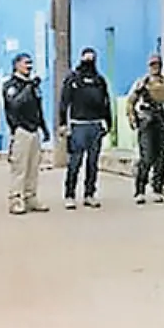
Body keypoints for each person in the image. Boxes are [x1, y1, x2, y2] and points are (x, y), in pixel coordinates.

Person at [59, 47, 112, 209]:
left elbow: (106, 102)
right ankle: (70, 194)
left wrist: (108, 122)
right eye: (86, 58)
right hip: (78, 126)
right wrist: (62, 124)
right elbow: (64, 102)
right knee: (75, 162)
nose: (89, 62)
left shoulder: (99, 80)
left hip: (95, 125)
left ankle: (89, 194)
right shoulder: (73, 79)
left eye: (92, 58)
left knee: (93, 163)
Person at [126, 53, 164, 205]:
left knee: (161, 158)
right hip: (147, 123)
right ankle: (140, 189)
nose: (155, 67)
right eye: (152, 64)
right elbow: (131, 101)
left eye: (157, 64)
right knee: (146, 157)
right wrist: (132, 118)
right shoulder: (142, 83)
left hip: (163, 122)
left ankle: (157, 188)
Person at [2, 53, 50, 215]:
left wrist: (44, 128)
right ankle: (16, 199)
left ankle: (31, 197)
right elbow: (15, 104)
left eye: (30, 63)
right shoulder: (11, 85)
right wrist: (29, 88)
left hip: (34, 129)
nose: (29, 66)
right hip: (20, 130)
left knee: (33, 167)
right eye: (25, 63)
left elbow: (38, 108)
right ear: (16, 65)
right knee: (19, 167)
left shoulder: (33, 85)